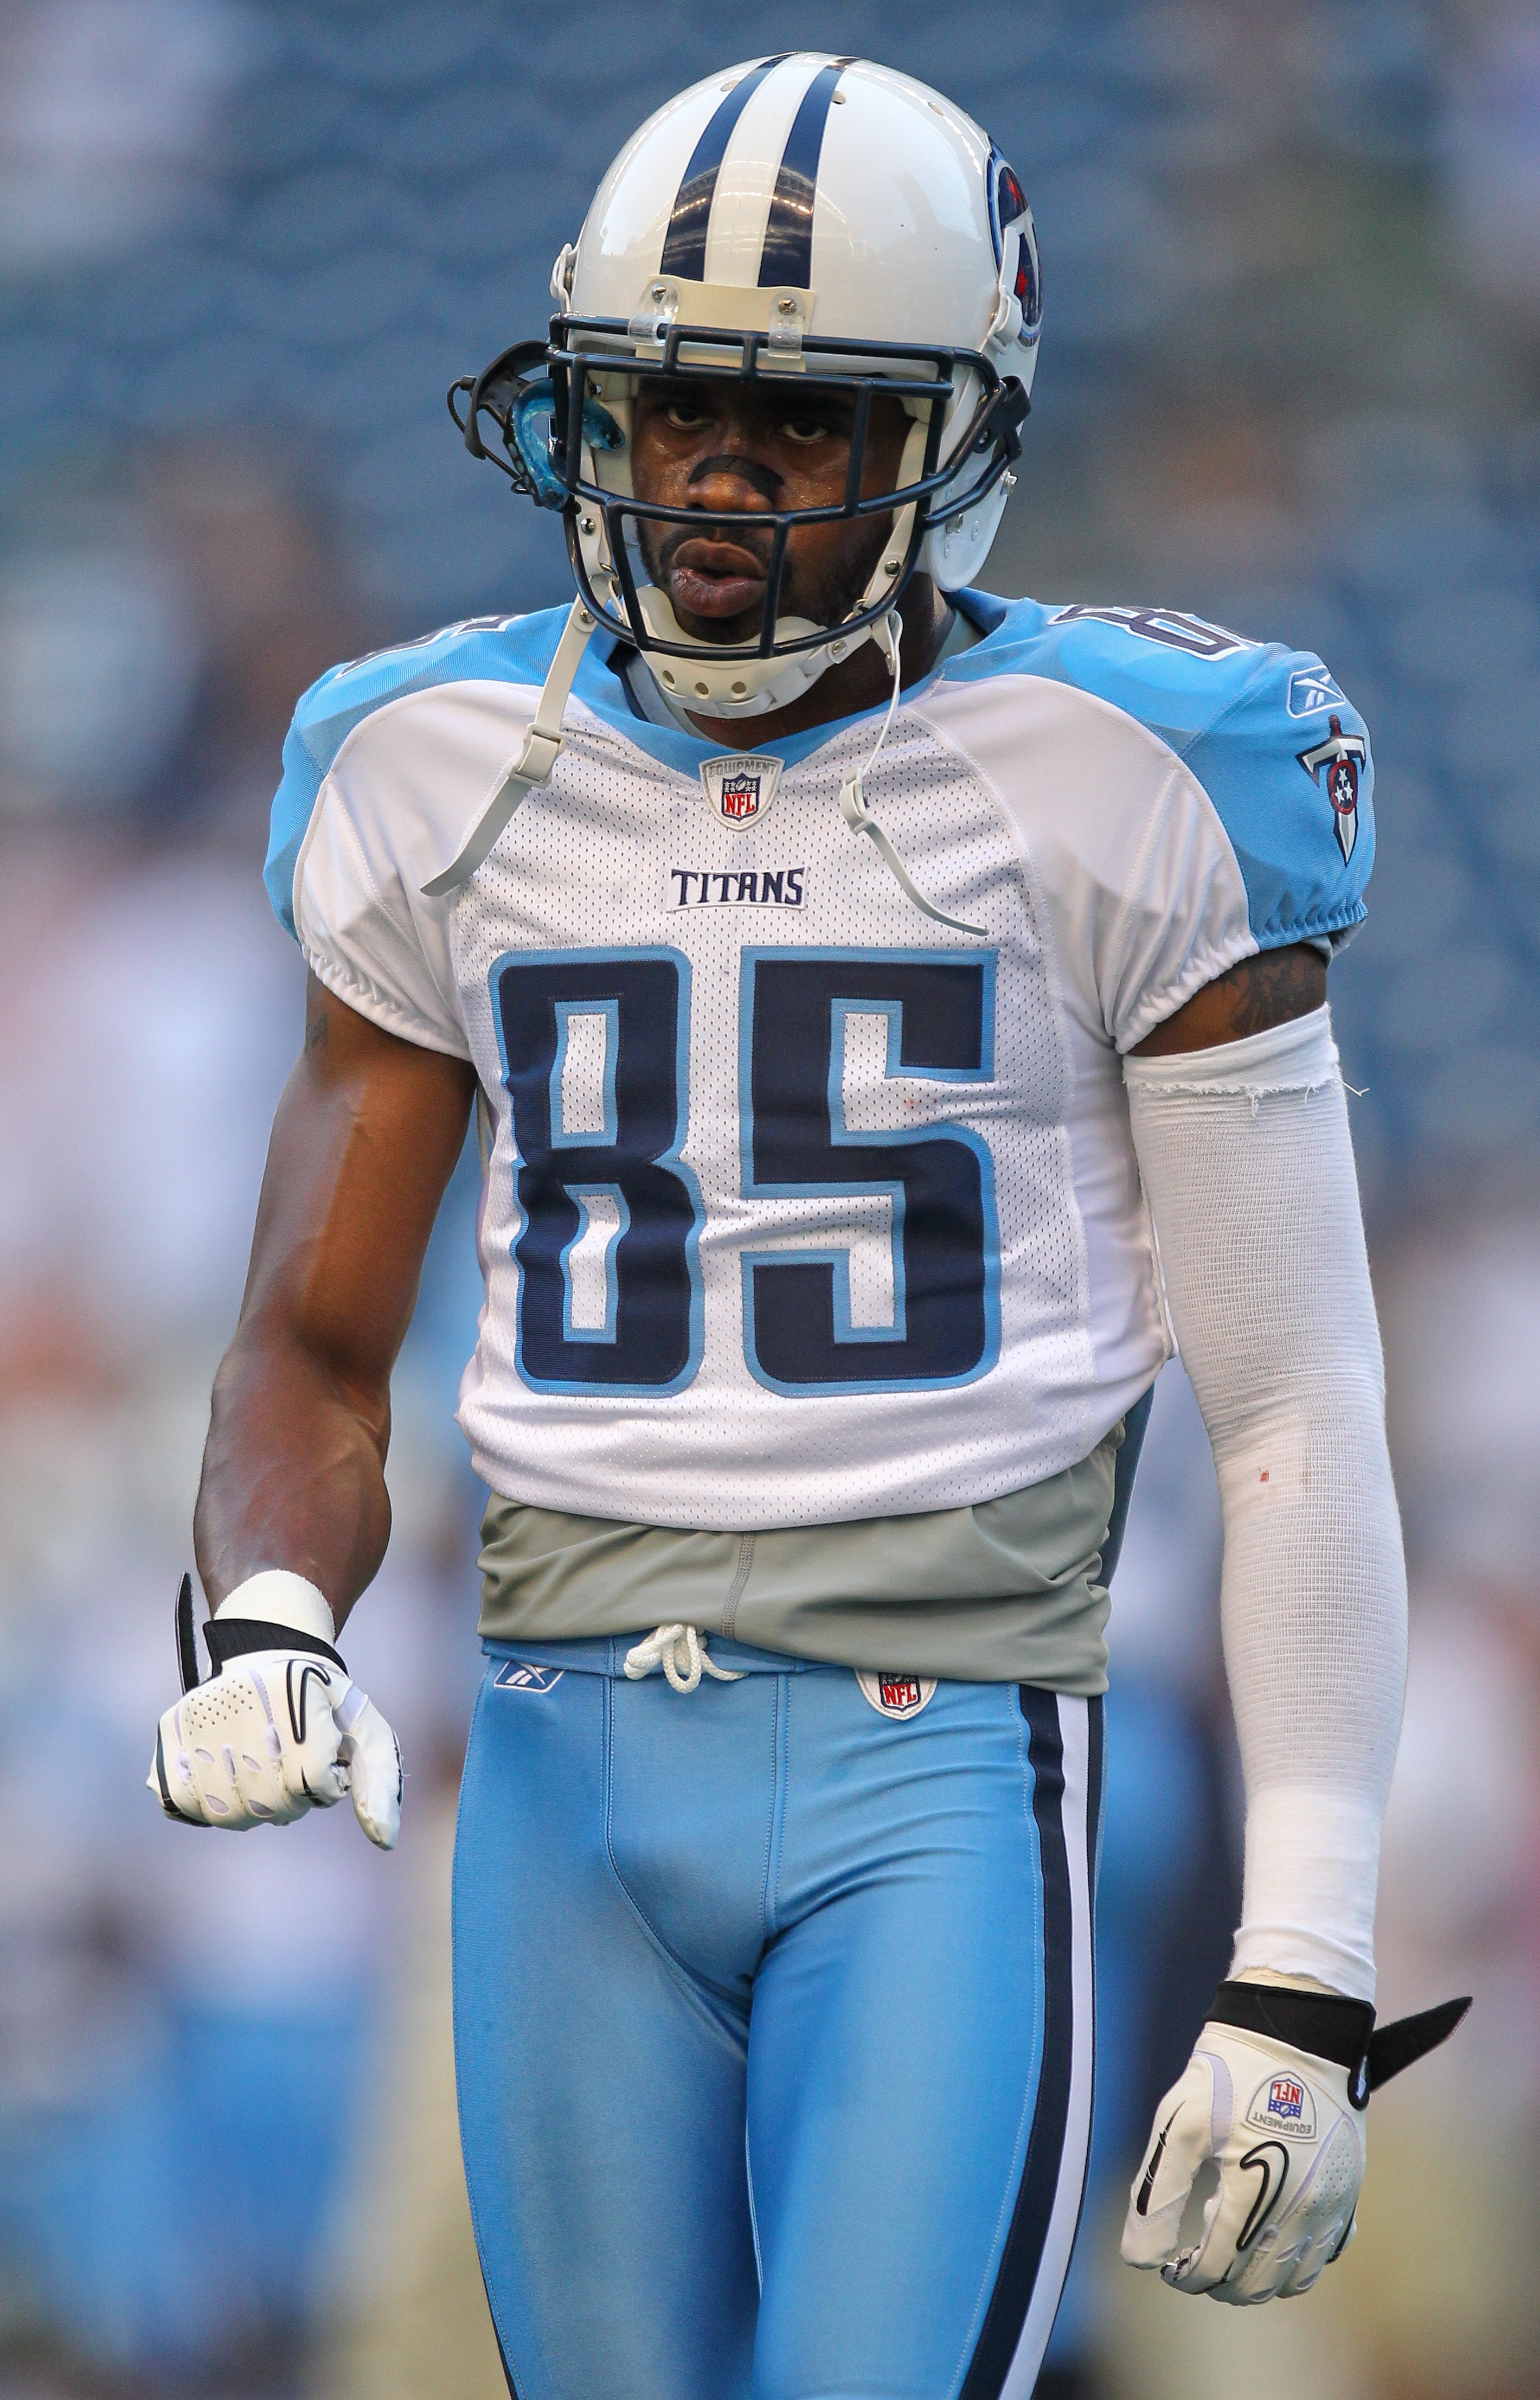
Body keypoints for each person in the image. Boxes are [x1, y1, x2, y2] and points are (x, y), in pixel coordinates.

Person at [148, 54, 1464, 2400]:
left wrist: (1302, 1964)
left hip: (939, 1757)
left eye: (801, 427)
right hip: (552, 1763)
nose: (715, 486)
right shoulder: (427, 761)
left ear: (952, 445)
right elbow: (311, 1345)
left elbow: (1290, 1405)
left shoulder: (1143, 768)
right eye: (664, 414)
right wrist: (262, 1612)